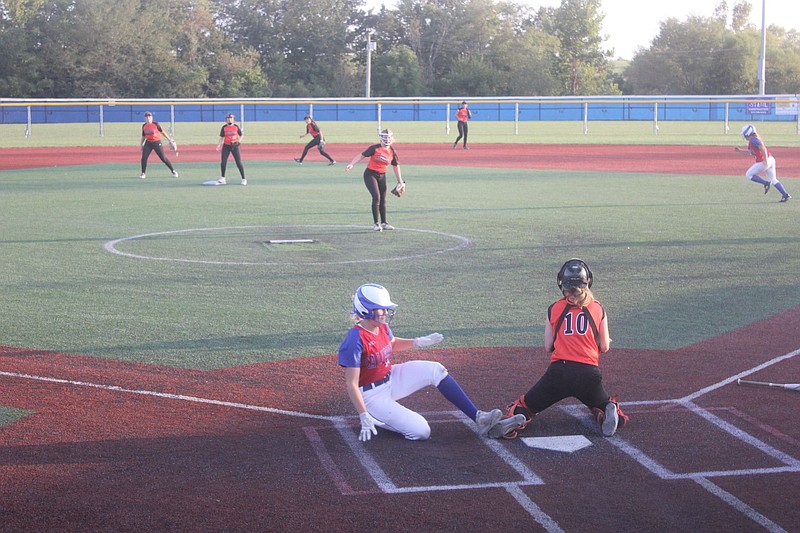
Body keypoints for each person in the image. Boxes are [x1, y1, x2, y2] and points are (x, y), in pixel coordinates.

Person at [338, 283, 525, 442]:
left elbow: (391, 344)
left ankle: (479, 418)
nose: (385, 312)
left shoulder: (382, 326)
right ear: (366, 310)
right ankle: (373, 417)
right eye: (380, 308)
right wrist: (363, 414)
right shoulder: (354, 339)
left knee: (436, 370)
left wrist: (418, 341)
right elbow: (351, 384)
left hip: (390, 377)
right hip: (371, 396)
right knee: (421, 431)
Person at [498, 259, 629, 439]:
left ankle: (517, 417)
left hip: (559, 373)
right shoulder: (598, 308)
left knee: (526, 405)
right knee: (601, 402)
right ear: (588, 282)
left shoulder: (554, 308)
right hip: (589, 375)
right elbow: (604, 347)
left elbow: (548, 346)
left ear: (562, 283)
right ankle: (608, 409)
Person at [344, 129, 405, 232]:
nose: (387, 139)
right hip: (370, 174)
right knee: (376, 197)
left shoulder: (392, 151)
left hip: (382, 176)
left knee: (383, 199)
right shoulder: (375, 148)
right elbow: (361, 155)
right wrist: (351, 164)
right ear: (381, 138)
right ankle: (376, 223)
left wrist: (400, 181)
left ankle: (384, 223)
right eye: (385, 137)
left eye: (389, 137)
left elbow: (396, 166)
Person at [735, 124, 791, 202]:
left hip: (764, 161)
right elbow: (751, 152)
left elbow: (763, 148)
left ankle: (765, 183)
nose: (744, 136)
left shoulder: (753, 140)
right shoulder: (753, 140)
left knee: (748, 175)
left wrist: (765, 160)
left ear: (748, 133)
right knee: (773, 179)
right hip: (771, 159)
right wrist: (740, 150)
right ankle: (785, 194)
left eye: (744, 134)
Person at [140, 111, 178, 179]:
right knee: (144, 158)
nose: (148, 118)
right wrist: (141, 144)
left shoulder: (156, 124)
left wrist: (169, 139)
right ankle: (143, 173)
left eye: (149, 116)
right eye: (147, 117)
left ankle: (173, 171)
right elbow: (143, 136)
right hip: (148, 143)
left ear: (152, 118)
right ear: (145, 118)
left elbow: (162, 132)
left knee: (163, 158)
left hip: (157, 142)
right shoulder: (144, 126)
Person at [215, 113, 247, 185]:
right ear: (226, 120)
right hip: (226, 146)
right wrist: (218, 145)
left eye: (231, 118)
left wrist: (238, 141)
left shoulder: (236, 127)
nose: (229, 119)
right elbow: (221, 137)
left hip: (234, 146)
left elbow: (241, 135)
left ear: (233, 120)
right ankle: (223, 178)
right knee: (223, 162)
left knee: (238, 162)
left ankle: (243, 179)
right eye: (228, 118)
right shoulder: (224, 127)